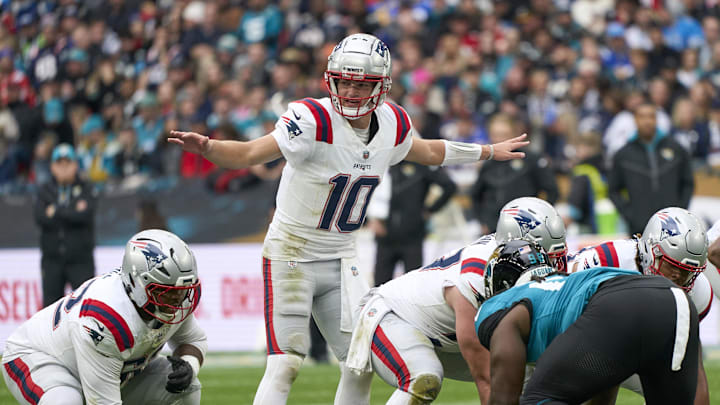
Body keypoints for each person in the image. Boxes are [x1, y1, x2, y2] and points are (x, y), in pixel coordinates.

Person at [168, 33, 528, 405]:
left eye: (362, 83)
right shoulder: (313, 119)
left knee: (360, 362)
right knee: (285, 363)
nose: (352, 91)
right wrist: (211, 147)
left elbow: (429, 150)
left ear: (381, 86)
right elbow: (249, 153)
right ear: (331, 80)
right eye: (345, 81)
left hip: (342, 256)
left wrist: (487, 150)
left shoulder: (392, 123)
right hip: (291, 252)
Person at [344, 200, 566, 404]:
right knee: (423, 378)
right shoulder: (475, 276)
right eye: (543, 252)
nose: (552, 262)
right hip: (393, 315)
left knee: (529, 373)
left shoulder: (506, 263)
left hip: (443, 336)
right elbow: (486, 378)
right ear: (516, 242)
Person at [2, 229, 206, 405]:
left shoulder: (179, 297)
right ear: (137, 284)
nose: (177, 299)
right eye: (165, 291)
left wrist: (189, 364)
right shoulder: (105, 319)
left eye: (182, 290)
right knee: (66, 400)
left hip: (111, 369)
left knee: (188, 386)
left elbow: (193, 340)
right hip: (39, 357)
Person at [475, 261, 700, 404]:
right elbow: (605, 371)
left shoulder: (495, 310)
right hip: (677, 300)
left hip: (617, 305)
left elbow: (504, 400)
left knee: (539, 399)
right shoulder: (565, 288)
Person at [567, 206, 710, 404]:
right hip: (581, 341)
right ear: (650, 251)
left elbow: (694, 370)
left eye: (687, 271)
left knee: (683, 391)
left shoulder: (698, 292)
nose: (678, 277)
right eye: (672, 266)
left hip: (641, 352)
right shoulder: (608, 260)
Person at [608, 103, 694, 235]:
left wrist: (680, 211)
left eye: (651, 116)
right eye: (642, 117)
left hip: (673, 227)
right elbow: (613, 190)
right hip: (639, 229)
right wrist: (631, 216)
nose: (647, 121)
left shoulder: (676, 149)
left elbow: (688, 183)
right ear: (635, 120)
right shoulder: (623, 155)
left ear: (656, 119)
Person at [367, 162, 457, 286]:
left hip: (412, 234)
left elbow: (449, 186)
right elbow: (368, 188)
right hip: (385, 234)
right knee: (379, 287)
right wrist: (370, 218)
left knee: (413, 286)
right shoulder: (386, 161)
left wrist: (430, 210)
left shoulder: (422, 163)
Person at [470, 113, 558, 234]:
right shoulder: (488, 164)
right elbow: (475, 195)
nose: (499, 140)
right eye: (495, 135)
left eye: (504, 135)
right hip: (493, 230)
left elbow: (551, 191)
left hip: (527, 230)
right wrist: (482, 221)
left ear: (513, 134)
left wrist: (539, 219)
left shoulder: (531, 159)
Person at [33, 143, 97, 307]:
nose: (63, 168)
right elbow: (40, 218)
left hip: (80, 260)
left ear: (75, 165)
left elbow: (85, 215)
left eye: (67, 163)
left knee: (86, 306)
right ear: (52, 167)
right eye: (59, 164)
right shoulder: (44, 190)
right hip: (52, 260)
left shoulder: (86, 188)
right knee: (50, 309)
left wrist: (56, 211)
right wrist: (71, 210)